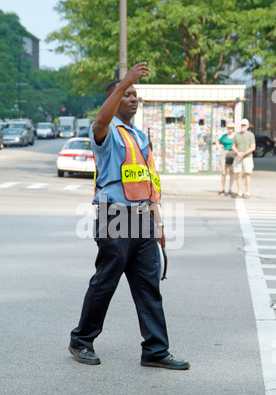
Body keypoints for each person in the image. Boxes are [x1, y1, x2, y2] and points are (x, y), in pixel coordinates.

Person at [69, 62, 190, 371]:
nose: (133, 99)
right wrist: (122, 83)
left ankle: (155, 350)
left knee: (149, 286)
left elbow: (150, 181)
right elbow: (100, 118)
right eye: (127, 95)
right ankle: (81, 340)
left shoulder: (139, 136)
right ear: (115, 98)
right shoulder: (106, 132)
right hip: (115, 217)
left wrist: (158, 221)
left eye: (136, 95)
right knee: (106, 282)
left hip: (142, 219)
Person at [232, 118, 256, 199]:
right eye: (242, 125)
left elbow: (253, 147)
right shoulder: (237, 135)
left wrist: (244, 153)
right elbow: (233, 146)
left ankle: (247, 192)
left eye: (244, 125)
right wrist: (238, 152)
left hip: (247, 157)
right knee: (239, 175)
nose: (243, 126)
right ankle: (239, 192)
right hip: (238, 157)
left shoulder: (250, 135)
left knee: (247, 174)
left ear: (248, 126)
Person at [215, 122, 235, 195]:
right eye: (229, 128)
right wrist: (220, 149)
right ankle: (222, 187)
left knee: (231, 171)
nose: (230, 130)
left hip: (232, 153)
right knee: (223, 172)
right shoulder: (224, 136)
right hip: (224, 153)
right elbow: (217, 141)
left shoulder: (235, 136)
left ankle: (230, 188)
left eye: (232, 128)